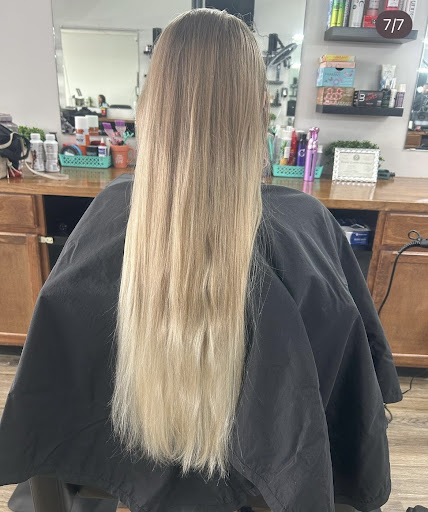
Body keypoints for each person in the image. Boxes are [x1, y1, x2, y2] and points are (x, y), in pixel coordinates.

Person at [0, 9, 401, 512]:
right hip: (269, 470)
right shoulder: (308, 221)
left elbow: (50, 380)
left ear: (152, 104)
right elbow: (356, 382)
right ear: (258, 108)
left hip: (123, 460)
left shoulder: (109, 209)